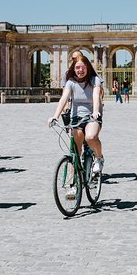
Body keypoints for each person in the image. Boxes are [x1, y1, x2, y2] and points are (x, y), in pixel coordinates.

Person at [48, 55, 105, 185]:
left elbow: (96, 95)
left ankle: (99, 158)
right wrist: (55, 116)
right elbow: (64, 98)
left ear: (88, 68)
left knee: (90, 137)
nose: (80, 70)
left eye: (82, 67)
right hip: (76, 118)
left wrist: (96, 111)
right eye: (77, 67)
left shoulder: (94, 80)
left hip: (92, 116)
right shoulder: (71, 82)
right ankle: (73, 184)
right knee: (75, 153)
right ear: (73, 69)